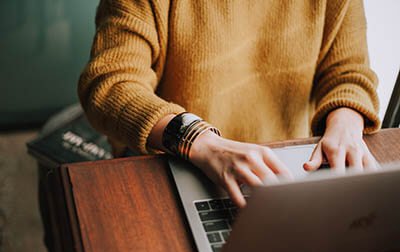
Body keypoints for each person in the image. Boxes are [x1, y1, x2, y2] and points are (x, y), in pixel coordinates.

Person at [78, 0, 380, 207]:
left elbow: (349, 72)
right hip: (175, 163)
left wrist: (346, 121)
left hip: (286, 172)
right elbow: (110, 84)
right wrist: (197, 139)